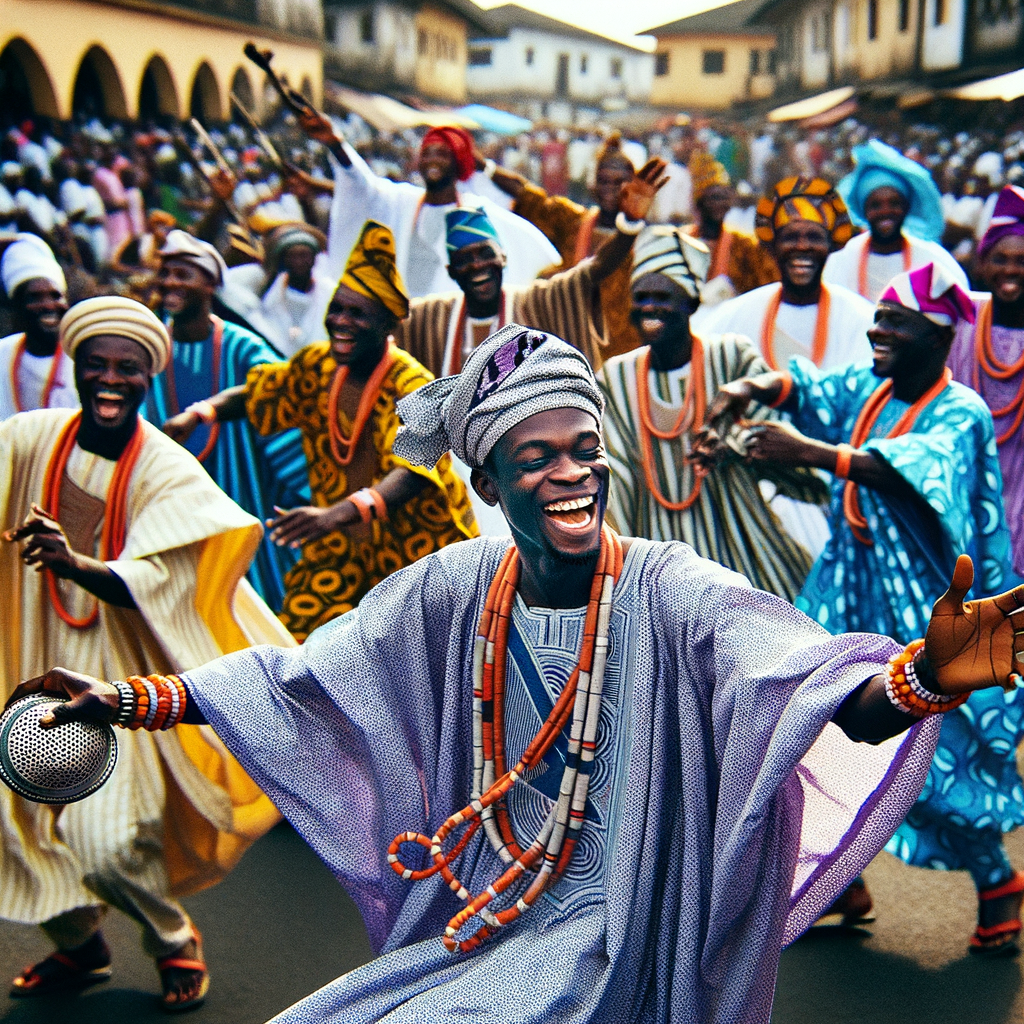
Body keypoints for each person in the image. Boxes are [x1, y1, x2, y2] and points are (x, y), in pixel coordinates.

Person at [16, 322, 1024, 1023]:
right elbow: (299, 678)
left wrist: (921, 679)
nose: (572, 471)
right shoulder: (456, 587)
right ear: (489, 482)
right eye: (536, 457)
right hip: (477, 913)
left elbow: (809, 692)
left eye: (585, 448)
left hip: (621, 930)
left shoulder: (671, 589)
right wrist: (128, 700)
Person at [703, 262, 1024, 948]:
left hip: (925, 600)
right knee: (813, 722)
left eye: (895, 323)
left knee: (930, 746)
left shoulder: (960, 410)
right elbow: (820, 388)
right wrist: (764, 386)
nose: (876, 330)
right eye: (877, 318)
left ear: (937, 338)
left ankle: (997, 880)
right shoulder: (874, 388)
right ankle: (842, 882)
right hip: (850, 586)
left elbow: (911, 471)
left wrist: (814, 452)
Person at [0, 296, 291, 1011]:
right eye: (95, 365)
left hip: (110, 682)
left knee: (100, 842)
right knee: (12, 834)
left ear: (146, 377)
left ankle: (171, 940)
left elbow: (164, 582)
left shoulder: (164, 467)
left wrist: (75, 566)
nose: (109, 379)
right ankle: (81, 948)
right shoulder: (28, 438)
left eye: (126, 368)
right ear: (74, 367)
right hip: (22, 661)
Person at [164, 222, 478, 641]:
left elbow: (414, 470)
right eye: (336, 309)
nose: (340, 322)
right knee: (296, 645)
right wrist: (201, 414)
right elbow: (260, 391)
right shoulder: (317, 365)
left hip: (416, 555)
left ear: (387, 325)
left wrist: (338, 513)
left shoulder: (412, 384)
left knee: (416, 663)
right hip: (339, 549)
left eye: (357, 313)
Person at [599, 226, 824, 603]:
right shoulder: (616, 376)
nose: (649, 307)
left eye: (662, 296)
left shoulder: (731, 357)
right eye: (640, 297)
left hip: (740, 545)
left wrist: (733, 443)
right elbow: (612, 470)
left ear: (691, 303)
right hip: (656, 562)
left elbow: (774, 432)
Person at [149, 230, 310, 613]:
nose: (171, 282)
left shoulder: (243, 348)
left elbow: (283, 400)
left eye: (183, 274)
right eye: (166, 272)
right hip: (174, 512)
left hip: (246, 501)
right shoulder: (151, 347)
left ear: (211, 284)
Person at [393, 159, 667, 381]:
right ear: (451, 271)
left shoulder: (533, 302)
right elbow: (529, 197)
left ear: (503, 258)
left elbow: (596, 269)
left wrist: (630, 223)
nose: (477, 265)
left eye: (486, 254)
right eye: (465, 260)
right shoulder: (431, 317)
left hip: (623, 358)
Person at [303, 112, 559, 298]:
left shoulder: (477, 214)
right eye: (427, 153)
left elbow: (535, 252)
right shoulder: (401, 202)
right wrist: (335, 143)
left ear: (458, 162)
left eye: (442, 154)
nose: (432, 160)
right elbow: (361, 186)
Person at [483, 132, 646, 359]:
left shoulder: (646, 240)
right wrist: (484, 167)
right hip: (566, 346)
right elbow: (529, 197)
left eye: (620, 182)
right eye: (604, 181)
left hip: (620, 355)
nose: (611, 189)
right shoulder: (571, 221)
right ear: (593, 185)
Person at [692, 176, 875, 371]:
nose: (802, 246)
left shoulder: (860, 319)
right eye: (790, 237)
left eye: (814, 237)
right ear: (772, 246)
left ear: (831, 245)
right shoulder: (733, 317)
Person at [948, 183, 1024, 576]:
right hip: (968, 499)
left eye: (1022, 260)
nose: (1011, 270)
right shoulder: (960, 322)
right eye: (1000, 259)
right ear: (981, 264)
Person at [824, 139, 968, 302]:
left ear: (907, 206)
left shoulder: (933, 260)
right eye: (875, 205)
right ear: (863, 210)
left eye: (894, 203)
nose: (885, 211)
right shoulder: (843, 262)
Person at [221, 222, 337, 357]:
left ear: (313, 258)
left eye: (304, 255)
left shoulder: (329, 290)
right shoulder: (269, 288)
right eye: (292, 256)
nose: (299, 262)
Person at [684, 153, 779, 309]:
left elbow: (767, 290)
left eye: (724, 198)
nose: (719, 204)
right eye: (714, 198)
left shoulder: (746, 246)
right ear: (699, 202)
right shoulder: (680, 241)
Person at [0, 234, 76, 419]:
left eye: (55, 296)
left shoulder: (82, 355)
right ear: (16, 306)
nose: (49, 305)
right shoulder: (3, 353)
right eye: (34, 297)